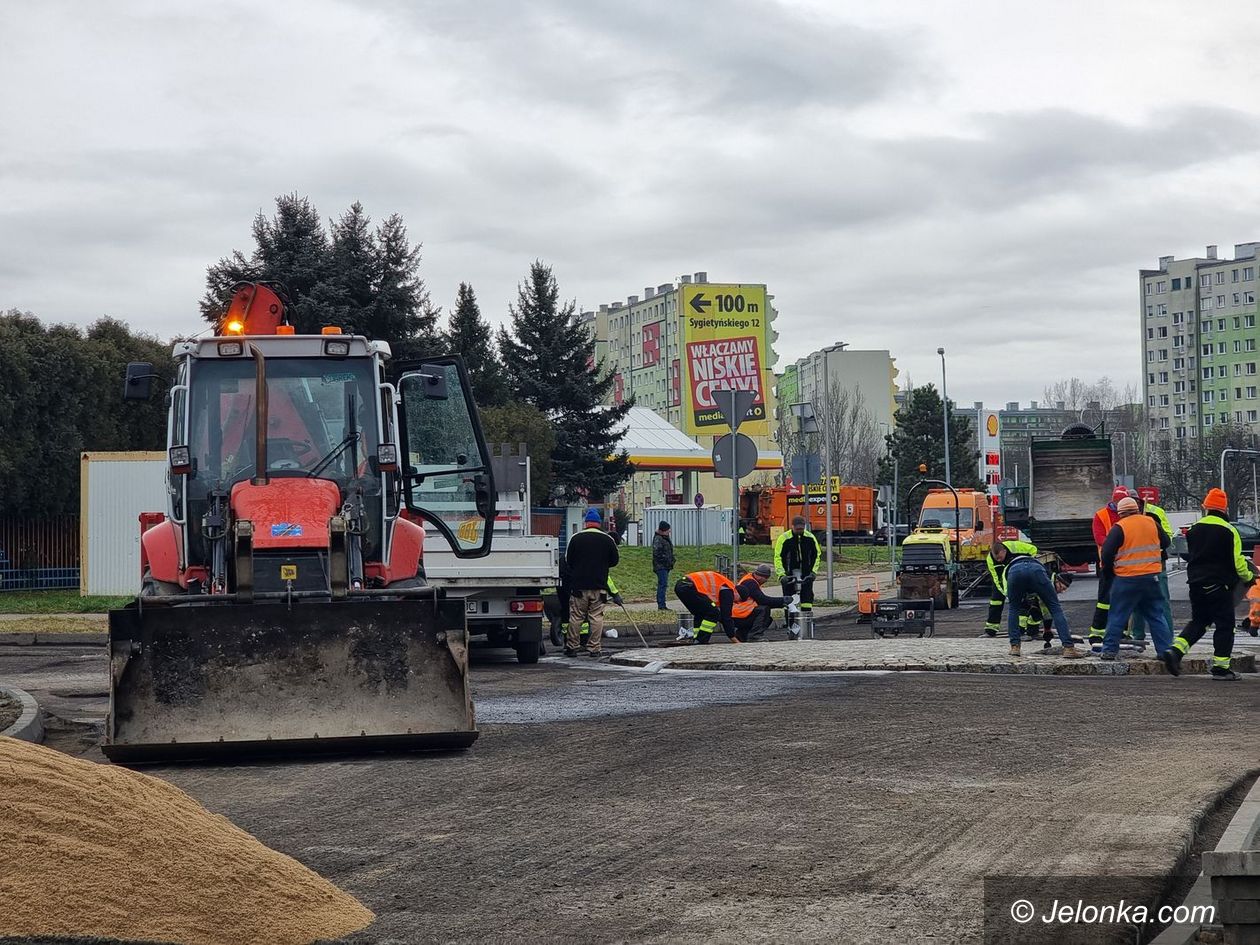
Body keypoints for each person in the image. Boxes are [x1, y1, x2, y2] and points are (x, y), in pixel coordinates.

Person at [1164, 488, 1255, 680]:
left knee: (1199, 621)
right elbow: (1238, 562)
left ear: (1205, 507)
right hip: (1220, 586)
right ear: (1224, 509)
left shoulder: (1194, 530)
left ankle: (1175, 651)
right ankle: (1221, 668)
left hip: (1196, 584)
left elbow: (1191, 555)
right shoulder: (1230, 530)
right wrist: (1249, 577)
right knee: (1225, 625)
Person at [1098, 496, 1171, 661]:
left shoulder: (1119, 527)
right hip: (1151, 577)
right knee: (1156, 615)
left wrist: (1109, 572)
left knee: (1118, 614)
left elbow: (1107, 553)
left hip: (1127, 578)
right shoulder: (1151, 522)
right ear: (1137, 509)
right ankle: (1165, 651)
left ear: (1120, 513)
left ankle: (1109, 650)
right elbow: (1165, 542)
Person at [989, 541, 1080, 657]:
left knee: (1013, 609)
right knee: (1055, 608)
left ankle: (1015, 647)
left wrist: (1022, 600)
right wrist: (1047, 628)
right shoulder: (1041, 567)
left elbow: (1007, 592)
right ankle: (1068, 648)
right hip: (1036, 569)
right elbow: (1046, 606)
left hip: (1015, 573)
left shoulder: (1006, 569)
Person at [565, 509, 620, 657]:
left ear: (586, 523)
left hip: (579, 586)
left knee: (576, 617)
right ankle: (594, 648)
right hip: (599, 585)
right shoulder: (608, 540)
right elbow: (614, 561)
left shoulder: (576, 538)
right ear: (599, 523)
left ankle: (572, 646)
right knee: (596, 617)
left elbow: (568, 560)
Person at [1129, 489, 1175, 643]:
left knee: (1161, 600)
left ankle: (1167, 636)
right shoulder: (1126, 518)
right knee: (1136, 602)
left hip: (1154, 563)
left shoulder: (1154, 514)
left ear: (1139, 502)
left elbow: (1166, 538)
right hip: (1136, 564)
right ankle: (1138, 635)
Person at [1087, 486, 1131, 644]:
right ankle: (1097, 632)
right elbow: (1100, 538)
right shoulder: (1101, 515)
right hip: (1108, 563)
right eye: (1118, 501)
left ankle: (1122, 632)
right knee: (1104, 600)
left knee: (1124, 598)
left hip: (1126, 564)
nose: (1119, 504)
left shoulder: (1129, 515)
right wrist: (1119, 546)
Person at [774, 515, 821, 638]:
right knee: (789, 600)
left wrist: (813, 572)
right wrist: (781, 575)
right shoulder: (784, 538)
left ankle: (806, 622)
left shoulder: (810, 538)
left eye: (802, 528)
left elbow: (817, 555)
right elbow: (778, 557)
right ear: (792, 527)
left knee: (807, 599)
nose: (800, 531)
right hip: (788, 575)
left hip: (806, 574)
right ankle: (791, 625)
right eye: (798, 529)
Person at [983, 537, 1039, 638]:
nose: (999, 560)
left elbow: (1033, 550)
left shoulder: (1016, 547)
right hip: (1005, 576)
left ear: (1004, 551)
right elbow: (998, 580)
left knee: (1024, 600)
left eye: (1000, 557)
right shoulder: (991, 560)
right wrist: (1007, 594)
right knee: (996, 601)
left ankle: (1023, 629)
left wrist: (1029, 564)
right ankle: (991, 629)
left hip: (1020, 574)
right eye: (997, 559)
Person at [732, 563, 791, 642]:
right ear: (762, 576)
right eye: (766, 579)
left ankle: (742, 635)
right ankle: (754, 636)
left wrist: (781, 604)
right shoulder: (750, 583)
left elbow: (759, 601)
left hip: (741, 613)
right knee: (764, 610)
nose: (766, 581)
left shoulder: (751, 580)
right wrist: (782, 600)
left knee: (766, 618)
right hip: (739, 614)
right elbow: (762, 600)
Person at [651, 520, 675, 610]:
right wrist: (666, 560)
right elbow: (657, 553)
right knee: (662, 585)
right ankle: (661, 605)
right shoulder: (659, 539)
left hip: (665, 565)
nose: (669, 531)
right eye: (668, 530)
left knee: (663, 584)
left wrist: (672, 559)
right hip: (661, 566)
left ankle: (662, 604)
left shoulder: (664, 537)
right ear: (663, 530)